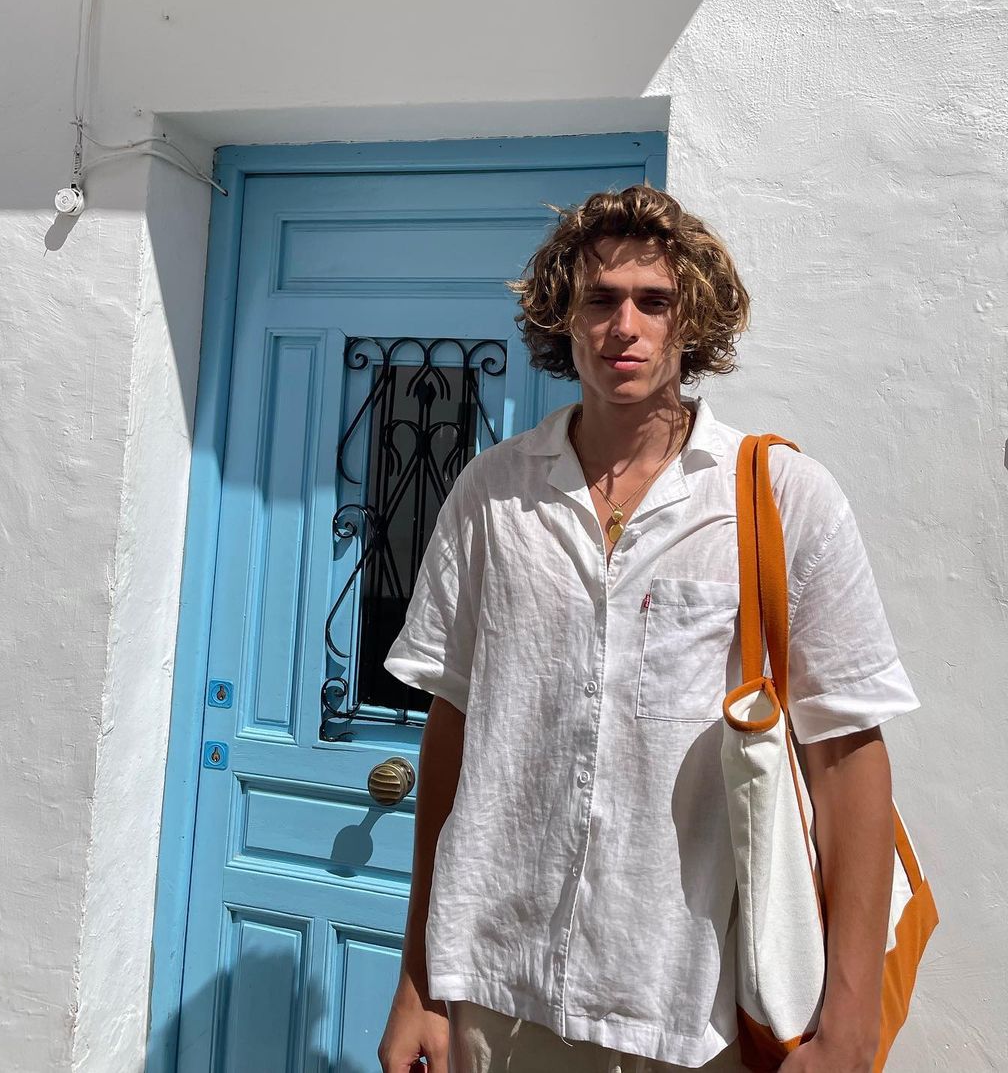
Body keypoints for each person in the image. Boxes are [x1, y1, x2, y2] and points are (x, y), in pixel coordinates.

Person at [378, 186, 920, 1073]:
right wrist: (418, 980)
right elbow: (456, 723)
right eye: (599, 299)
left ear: (691, 317)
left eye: (654, 300)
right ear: (563, 314)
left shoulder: (781, 498)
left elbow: (846, 754)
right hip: (499, 991)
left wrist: (850, 1022)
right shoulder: (493, 493)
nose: (623, 326)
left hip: (692, 1009)